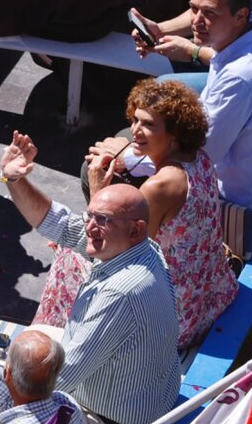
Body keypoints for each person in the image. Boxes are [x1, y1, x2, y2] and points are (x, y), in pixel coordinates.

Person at [0, 132, 180, 424]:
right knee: (31, 341)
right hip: (143, 403)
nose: (90, 227)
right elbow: (61, 223)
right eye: (90, 216)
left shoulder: (119, 294)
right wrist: (16, 178)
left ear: (136, 230)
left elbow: (57, 383)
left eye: (102, 220)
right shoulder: (139, 248)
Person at [40, 79, 237, 351]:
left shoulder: (160, 187)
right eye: (134, 120)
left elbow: (119, 255)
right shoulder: (200, 159)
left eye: (148, 124)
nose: (135, 131)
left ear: (174, 133)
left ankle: (58, 342)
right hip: (209, 291)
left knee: (68, 257)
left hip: (174, 318)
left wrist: (98, 189)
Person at [121, 0, 252, 219]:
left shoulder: (239, 79)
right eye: (194, 9)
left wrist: (124, 155)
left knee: (107, 169)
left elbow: (197, 157)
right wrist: (189, 49)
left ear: (240, 16)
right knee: (163, 96)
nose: (196, 21)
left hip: (243, 208)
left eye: (209, 13)